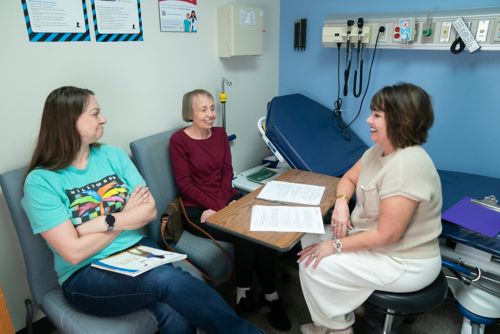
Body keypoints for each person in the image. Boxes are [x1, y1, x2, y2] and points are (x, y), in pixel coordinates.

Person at [21, 86, 261, 334]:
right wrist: (124, 218)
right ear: (69, 122)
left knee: (173, 311)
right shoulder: (42, 181)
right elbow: (73, 252)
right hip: (85, 274)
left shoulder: (112, 155)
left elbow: (149, 212)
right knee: (167, 280)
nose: (103, 119)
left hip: (140, 253)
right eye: (95, 113)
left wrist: (106, 222)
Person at [297, 83, 442, 334]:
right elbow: (348, 179)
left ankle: (336, 328)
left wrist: (334, 245)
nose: (367, 120)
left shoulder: (406, 165)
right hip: (377, 245)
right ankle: (343, 308)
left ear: (400, 120)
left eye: (376, 115)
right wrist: (342, 202)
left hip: (403, 261)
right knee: (308, 237)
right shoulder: (377, 152)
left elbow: (388, 235)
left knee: (312, 262)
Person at [169, 89, 291, 331]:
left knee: (262, 226)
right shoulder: (178, 141)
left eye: (212, 108)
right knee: (245, 233)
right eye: (203, 109)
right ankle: (245, 296)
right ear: (189, 113)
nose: (210, 114)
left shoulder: (220, 134)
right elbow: (185, 185)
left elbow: (227, 172)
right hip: (197, 210)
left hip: (224, 200)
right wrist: (215, 207)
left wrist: (224, 204)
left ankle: (269, 294)